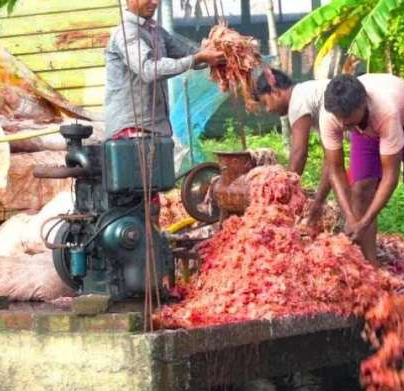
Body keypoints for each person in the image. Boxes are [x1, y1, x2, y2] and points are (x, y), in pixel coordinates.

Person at [320, 74, 404, 278]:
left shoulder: (385, 111)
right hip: (366, 127)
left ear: (363, 104)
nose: (345, 126)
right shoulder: (332, 116)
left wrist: (363, 223)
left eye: (349, 121)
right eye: (342, 122)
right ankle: (372, 271)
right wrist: (351, 217)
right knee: (361, 189)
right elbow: (335, 169)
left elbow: (391, 176)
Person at [105, 0, 225, 139]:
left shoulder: (156, 31)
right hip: (130, 132)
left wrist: (217, 52)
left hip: (157, 129)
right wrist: (198, 58)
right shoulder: (126, 33)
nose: (155, 2)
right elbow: (148, 70)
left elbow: (189, 53)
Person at [254, 68, 331, 224]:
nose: (268, 109)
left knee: (360, 191)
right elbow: (331, 160)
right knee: (359, 191)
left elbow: (299, 153)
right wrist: (318, 201)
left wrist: (282, 194)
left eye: (265, 102)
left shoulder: (297, 100)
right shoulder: (308, 93)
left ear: (275, 91)